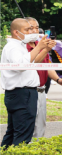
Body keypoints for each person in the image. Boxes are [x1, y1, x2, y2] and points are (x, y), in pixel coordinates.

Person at [1, 19, 54, 147]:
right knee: (23, 133)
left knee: (14, 131)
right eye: (28, 30)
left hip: (22, 93)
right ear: (16, 32)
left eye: (32, 29)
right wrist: (39, 47)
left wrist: (44, 49)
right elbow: (21, 66)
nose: (31, 32)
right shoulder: (13, 47)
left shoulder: (20, 46)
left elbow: (33, 62)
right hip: (22, 93)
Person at [25, 17, 62, 138]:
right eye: (31, 28)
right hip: (28, 91)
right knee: (27, 126)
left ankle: (38, 152)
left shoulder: (38, 45)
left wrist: (58, 79)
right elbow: (34, 63)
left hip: (41, 90)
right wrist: (45, 49)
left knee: (40, 126)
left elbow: (47, 65)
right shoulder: (23, 47)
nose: (35, 30)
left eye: (36, 27)